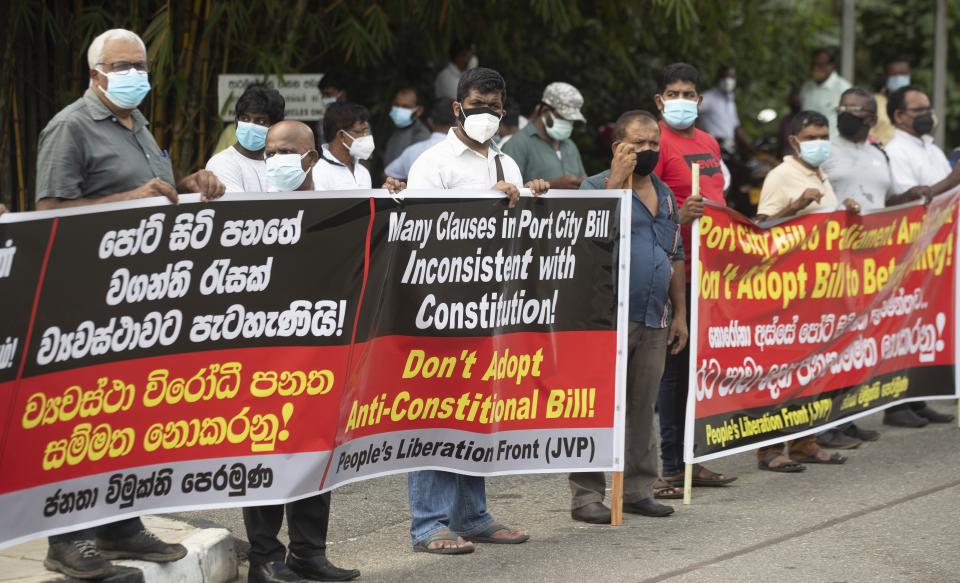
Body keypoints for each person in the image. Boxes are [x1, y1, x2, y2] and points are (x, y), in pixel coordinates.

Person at [33, 28, 225, 579]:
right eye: (122, 66)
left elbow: (153, 198)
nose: (135, 74)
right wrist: (129, 198)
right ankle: (67, 538)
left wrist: (187, 184)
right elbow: (47, 212)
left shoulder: (138, 123)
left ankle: (121, 524)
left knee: (128, 415)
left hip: (139, 301)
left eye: (140, 64)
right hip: (83, 301)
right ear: (95, 74)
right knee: (78, 419)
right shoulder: (69, 126)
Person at [405, 67, 549, 554]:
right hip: (440, 307)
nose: (486, 114)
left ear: (503, 111)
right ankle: (429, 524)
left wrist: (533, 199)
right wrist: (482, 204)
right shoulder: (433, 163)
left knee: (475, 411)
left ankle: (472, 514)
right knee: (435, 411)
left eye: (494, 107)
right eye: (477, 105)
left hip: (491, 307)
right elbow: (423, 233)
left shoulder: (507, 165)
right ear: (457, 107)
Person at [235, 120, 360, 583]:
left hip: (321, 355)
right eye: (269, 152)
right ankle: (264, 559)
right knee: (264, 450)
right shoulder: (247, 210)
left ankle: (309, 552)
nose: (276, 160)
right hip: (263, 357)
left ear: (310, 157)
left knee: (313, 449)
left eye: (287, 151)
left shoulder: (340, 208)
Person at [570, 111, 687, 523]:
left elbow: (674, 256)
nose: (647, 151)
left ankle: (638, 488)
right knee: (599, 405)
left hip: (654, 316)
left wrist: (680, 315)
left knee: (643, 405)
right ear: (618, 145)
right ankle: (586, 497)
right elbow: (590, 241)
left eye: (653, 143)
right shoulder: (594, 186)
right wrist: (617, 181)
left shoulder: (666, 193)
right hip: (607, 318)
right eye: (638, 144)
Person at [818, 87, 934, 448]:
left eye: (857, 109)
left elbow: (885, 200)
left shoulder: (878, 154)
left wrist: (912, 196)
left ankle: (847, 416)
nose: (848, 113)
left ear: (871, 118)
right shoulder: (825, 153)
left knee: (859, 341)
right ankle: (824, 424)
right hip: (833, 261)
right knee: (833, 341)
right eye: (844, 108)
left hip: (872, 260)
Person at [754, 110, 864, 470]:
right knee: (783, 370)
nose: (819, 143)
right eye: (812, 137)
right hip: (790, 290)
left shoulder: (819, 173)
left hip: (821, 290)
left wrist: (844, 212)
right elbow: (761, 228)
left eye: (823, 136)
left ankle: (804, 442)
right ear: (795, 141)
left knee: (812, 368)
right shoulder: (781, 176)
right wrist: (796, 204)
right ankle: (769, 450)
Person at [650, 63, 736, 490]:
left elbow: (720, 198)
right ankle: (669, 467)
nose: (681, 101)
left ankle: (692, 460)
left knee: (700, 369)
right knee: (673, 372)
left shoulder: (708, 142)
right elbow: (643, 212)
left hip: (712, 270)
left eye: (688, 94)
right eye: (673, 93)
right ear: (659, 100)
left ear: (700, 101)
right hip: (674, 269)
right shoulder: (656, 143)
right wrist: (677, 218)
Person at [881, 84, 960, 428]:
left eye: (928, 107)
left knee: (923, 323)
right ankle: (895, 405)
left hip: (937, 251)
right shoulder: (896, 151)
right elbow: (913, 200)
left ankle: (917, 397)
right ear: (899, 116)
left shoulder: (929, 147)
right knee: (901, 325)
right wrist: (952, 179)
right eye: (919, 110)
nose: (928, 115)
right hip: (910, 250)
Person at [501, 82, 587, 189]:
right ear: (545, 111)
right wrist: (551, 186)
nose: (568, 123)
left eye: (571, 120)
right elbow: (507, 191)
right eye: (564, 118)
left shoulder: (570, 146)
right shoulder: (518, 144)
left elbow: (583, 179)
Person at [205, 83, 285, 192]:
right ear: (236, 121)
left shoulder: (283, 164)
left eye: (261, 121)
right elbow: (241, 208)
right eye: (245, 118)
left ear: (275, 127)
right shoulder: (222, 163)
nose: (250, 126)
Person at [314, 101, 404, 193]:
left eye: (367, 132)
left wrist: (386, 195)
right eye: (361, 132)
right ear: (342, 135)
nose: (366, 137)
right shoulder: (319, 173)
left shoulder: (363, 172)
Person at [385, 98, 454, 181]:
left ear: (430, 122)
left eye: (406, 107)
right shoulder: (465, 150)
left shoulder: (411, 151)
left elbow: (388, 175)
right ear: (458, 121)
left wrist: (403, 188)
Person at [800, 48, 852, 137]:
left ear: (831, 66)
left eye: (820, 65)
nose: (816, 69)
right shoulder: (806, 88)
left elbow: (850, 122)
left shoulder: (844, 89)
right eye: (813, 65)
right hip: (808, 144)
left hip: (833, 146)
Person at [698, 66, 749, 155]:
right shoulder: (707, 98)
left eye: (731, 77)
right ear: (718, 78)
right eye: (724, 77)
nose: (727, 80)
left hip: (729, 149)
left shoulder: (730, 101)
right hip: (710, 148)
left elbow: (736, 127)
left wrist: (749, 146)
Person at [383, 87, 431, 166]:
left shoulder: (421, 136)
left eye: (405, 107)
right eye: (396, 105)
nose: (399, 110)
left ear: (419, 111)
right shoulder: (395, 129)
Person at [871, 56, 912, 145]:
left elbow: (932, 123)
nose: (899, 79)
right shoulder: (873, 102)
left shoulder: (917, 101)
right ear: (886, 76)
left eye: (903, 74)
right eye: (895, 75)